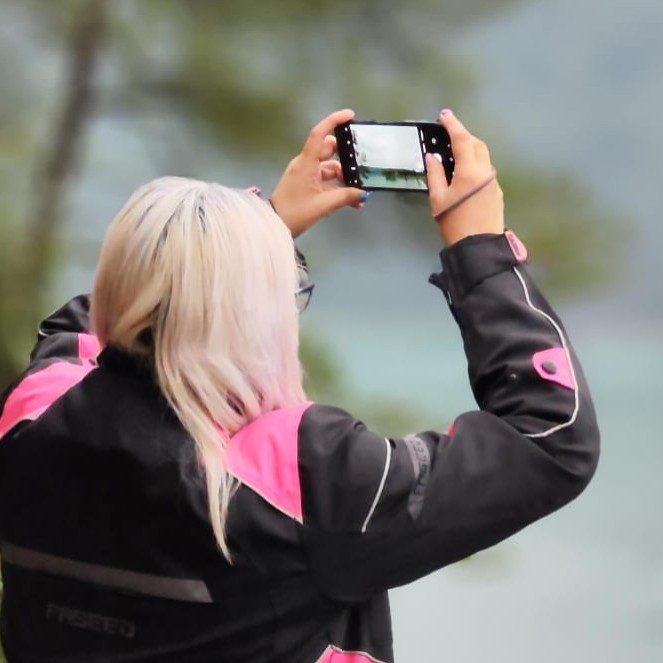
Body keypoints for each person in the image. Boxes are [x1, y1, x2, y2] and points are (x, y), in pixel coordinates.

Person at [0, 109, 599, 662]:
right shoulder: (300, 479)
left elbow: (88, 324)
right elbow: (550, 437)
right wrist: (481, 252)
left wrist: (254, 236)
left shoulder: (32, 421)